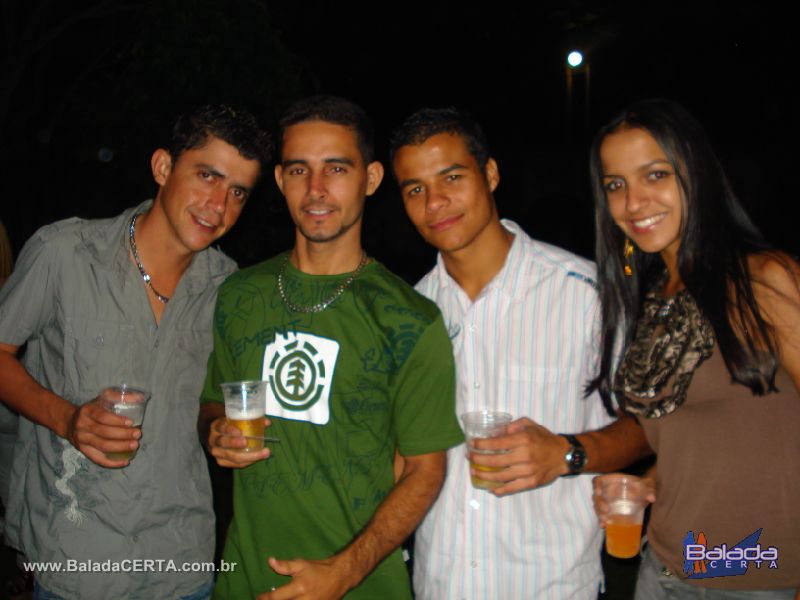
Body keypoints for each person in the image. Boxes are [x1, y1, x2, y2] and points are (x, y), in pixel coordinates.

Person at [0, 105, 271, 599]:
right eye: (207, 176)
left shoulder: (229, 288)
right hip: (76, 557)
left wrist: (218, 428)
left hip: (182, 563)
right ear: (163, 168)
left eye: (237, 192)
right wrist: (66, 419)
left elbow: (209, 400)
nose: (218, 205)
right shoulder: (65, 252)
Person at [200, 95, 462, 600]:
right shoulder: (239, 295)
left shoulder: (409, 319)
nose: (316, 190)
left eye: (336, 169)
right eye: (299, 170)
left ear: (371, 178)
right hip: (245, 578)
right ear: (279, 181)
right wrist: (215, 429)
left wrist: (345, 570)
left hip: (360, 586)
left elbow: (426, 469)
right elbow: (213, 399)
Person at [389, 107, 652, 599]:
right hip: (441, 585)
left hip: (551, 585)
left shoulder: (587, 294)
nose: (435, 202)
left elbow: (647, 426)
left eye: (451, 177)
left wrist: (567, 453)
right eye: (415, 189)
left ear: (489, 174)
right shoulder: (406, 313)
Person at [589, 98, 800, 598]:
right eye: (616, 185)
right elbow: (712, 434)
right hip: (664, 568)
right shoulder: (656, 296)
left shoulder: (764, 281)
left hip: (756, 576)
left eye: (655, 175)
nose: (633, 202)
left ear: (697, 175)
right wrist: (651, 483)